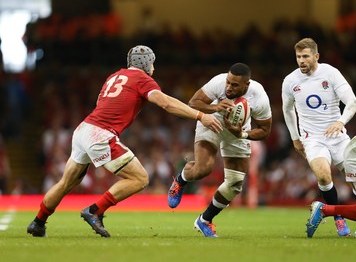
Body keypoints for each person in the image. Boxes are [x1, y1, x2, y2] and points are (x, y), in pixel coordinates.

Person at [27, 45, 223, 237]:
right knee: (140, 179)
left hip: (83, 129)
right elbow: (166, 103)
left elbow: (102, 104)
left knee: (65, 183)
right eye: (153, 64)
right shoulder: (143, 79)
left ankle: (38, 222)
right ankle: (95, 210)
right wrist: (200, 116)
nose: (153, 68)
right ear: (147, 63)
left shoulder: (113, 77)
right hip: (101, 134)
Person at [167, 63, 272, 237]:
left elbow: (265, 131)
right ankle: (181, 179)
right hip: (212, 122)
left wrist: (243, 134)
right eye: (228, 82)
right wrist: (215, 108)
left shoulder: (259, 96)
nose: (228, 87)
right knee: (203, 169)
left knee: (235, 184)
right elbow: (193, 103)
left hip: (237, 132)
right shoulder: (218, 82)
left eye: (234, 85)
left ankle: (205, 220)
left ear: (247, 85)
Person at [281, 37, 356, 237]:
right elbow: (287, 110)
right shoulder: (290, 81)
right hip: (312, 138)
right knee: (323, 175)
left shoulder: (331, 73)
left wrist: (341, 121)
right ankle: (339, 219)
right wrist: (295, 137)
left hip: (337, 135)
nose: (301, 61)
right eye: (298, 57)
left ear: (316, 56)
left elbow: (352, 101)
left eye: (306, 56)